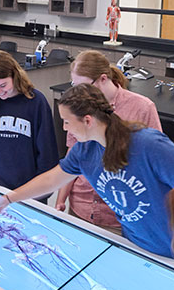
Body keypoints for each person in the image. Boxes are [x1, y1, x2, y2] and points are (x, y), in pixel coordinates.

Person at [0, 84, 174, 258]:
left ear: (88, 120)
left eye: (67, 122)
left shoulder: (149, 144)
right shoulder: (84, 151)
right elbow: (51, 180)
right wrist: (8, 199)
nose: (65, 128)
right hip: (136, 243)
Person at [56, 50, 161, 231]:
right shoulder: (79, 105)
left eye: (83, 86)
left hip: (120, 215)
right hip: (81, 206)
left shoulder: (142, 108)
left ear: (103, 79)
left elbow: (155, 163)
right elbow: (72, 156)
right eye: (74, 86)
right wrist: (60, 200)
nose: (78, 93)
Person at [0, 50, 58, 199]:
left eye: (3, 85)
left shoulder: (35, 102)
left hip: (29, 189)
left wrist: (44, 188)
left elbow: (47, 150)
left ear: (15, 77)